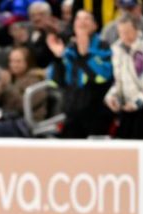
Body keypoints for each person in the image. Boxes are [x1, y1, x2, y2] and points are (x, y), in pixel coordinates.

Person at [47, 9, 114, 137]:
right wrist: (58, 57)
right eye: (78, 18)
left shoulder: (103, 46)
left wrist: (85, 56)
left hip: (97, 112)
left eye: (86, 18)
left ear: (95, 25)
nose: (82, 22)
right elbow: (57, 83)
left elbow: (103, 77)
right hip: (72, 111)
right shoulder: (69, 48)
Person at [0, 45, 47, 136]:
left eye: (18, 61)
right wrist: (1, 87)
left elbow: (22, 107)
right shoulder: (8, 78)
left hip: (27, 123)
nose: (14, 65)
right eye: (11, 61)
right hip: (8, 118)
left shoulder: (36, 81)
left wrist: (8, 86)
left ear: (28, 62)